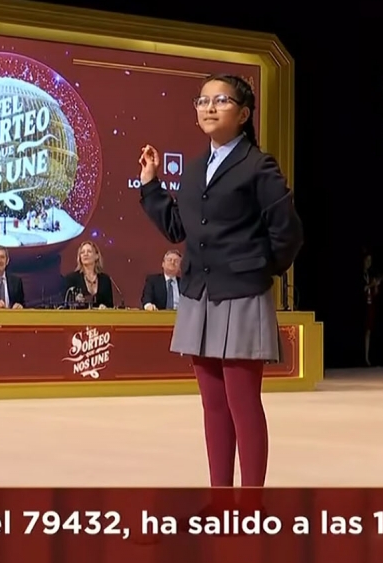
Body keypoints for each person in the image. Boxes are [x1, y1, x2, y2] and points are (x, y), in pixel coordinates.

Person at [138, 74, 303, 492]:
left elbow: (288, 233)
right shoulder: (194, 170)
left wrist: (258, 270)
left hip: (243, 293)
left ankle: (251, 504)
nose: (209, 107)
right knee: (213, 406)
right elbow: (178, 228)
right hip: (199, 294)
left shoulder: (258, 165)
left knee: (243, 404)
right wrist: (151, 185)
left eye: (221, 100)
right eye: (202, 101)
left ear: (244, 114)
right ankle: (220, 499)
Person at [62, 241, 115, 308]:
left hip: (100, 315)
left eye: (89, 251)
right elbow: (65, 305)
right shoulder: (71, 279)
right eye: (82, 252)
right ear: (80, 257)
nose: (85, 254)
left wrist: (104, 307)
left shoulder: (105, 279)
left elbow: (110, 306)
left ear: (96, 256)